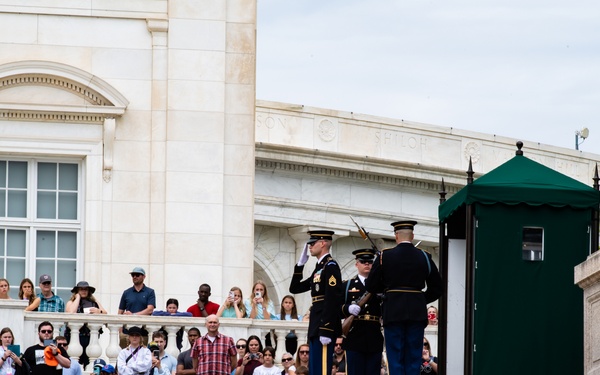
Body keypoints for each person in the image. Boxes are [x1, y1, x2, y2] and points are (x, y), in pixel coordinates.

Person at [365, 220, 443, 375]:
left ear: (396, 236)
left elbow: (371, 286)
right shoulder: (425, 256)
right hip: (416, 313)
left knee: (395, 357)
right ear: (412, 236)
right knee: (414, 357)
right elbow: (437, 287)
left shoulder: (384, 256)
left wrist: (388, 291)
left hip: (393, 311)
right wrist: (420, 299)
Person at [289, 230, 343, 375]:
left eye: (312, 243)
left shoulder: (330, 266)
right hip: (316, 324)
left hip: (324, 326)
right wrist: (300, 265)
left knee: (322, 369)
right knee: (315, 370)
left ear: (323, 243)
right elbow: (295, 287)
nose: (310, 247)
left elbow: (333, 299)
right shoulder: (319, 268)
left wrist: (326, 328)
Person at [341, 248, 384, 375]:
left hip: (374, 335)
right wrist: (347, 308)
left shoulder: (381, 285)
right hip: (354, 336)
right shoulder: (347, 285)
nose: (367, 264)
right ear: (356, 263)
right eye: (363, 261)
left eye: (370, 262)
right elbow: (335, 307)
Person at [65, 281, 107, 367]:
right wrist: (77, 298)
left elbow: (105, 313)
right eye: (81, 289)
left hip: (89, 336)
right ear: (77, 291)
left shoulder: (93, 302)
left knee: (88, 362)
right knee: (74, 360)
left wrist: (98, 310)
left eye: (86, 289)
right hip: (74, 336)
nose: (83, 291)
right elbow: (71, 312)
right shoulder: (71, 302)